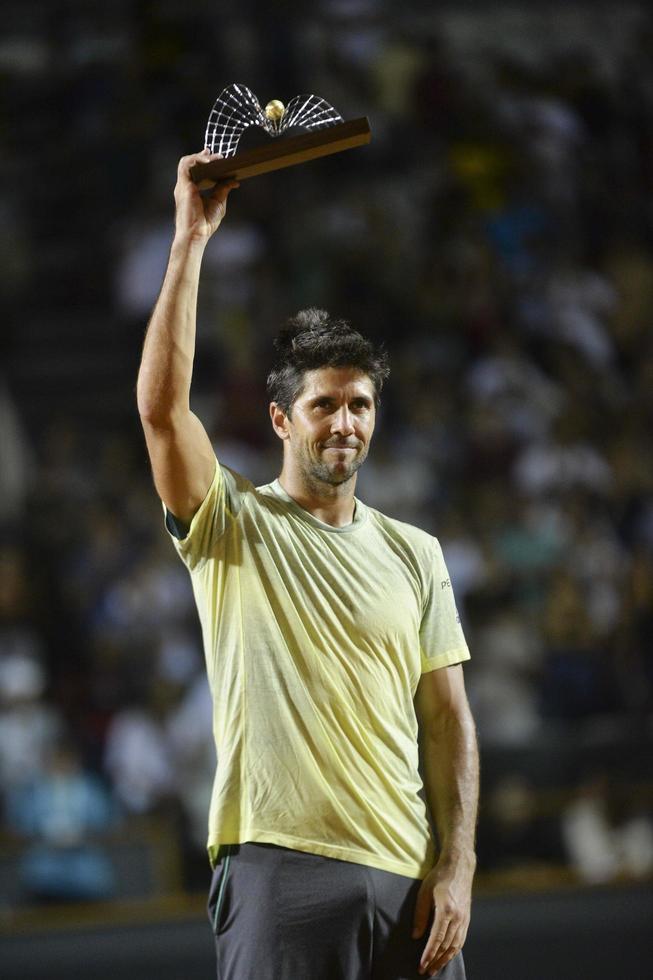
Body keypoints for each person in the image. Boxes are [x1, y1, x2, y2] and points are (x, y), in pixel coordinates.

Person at [137, 149, 479, 980]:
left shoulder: (415, 552)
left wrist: (458, 865)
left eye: (359, 404)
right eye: (322, 403)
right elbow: (160, 409)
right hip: (279, 871)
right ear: (281, 420)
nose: (344, 423)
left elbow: (446, 722)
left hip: (410, 885)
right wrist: (191, 237)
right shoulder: (231, 522)